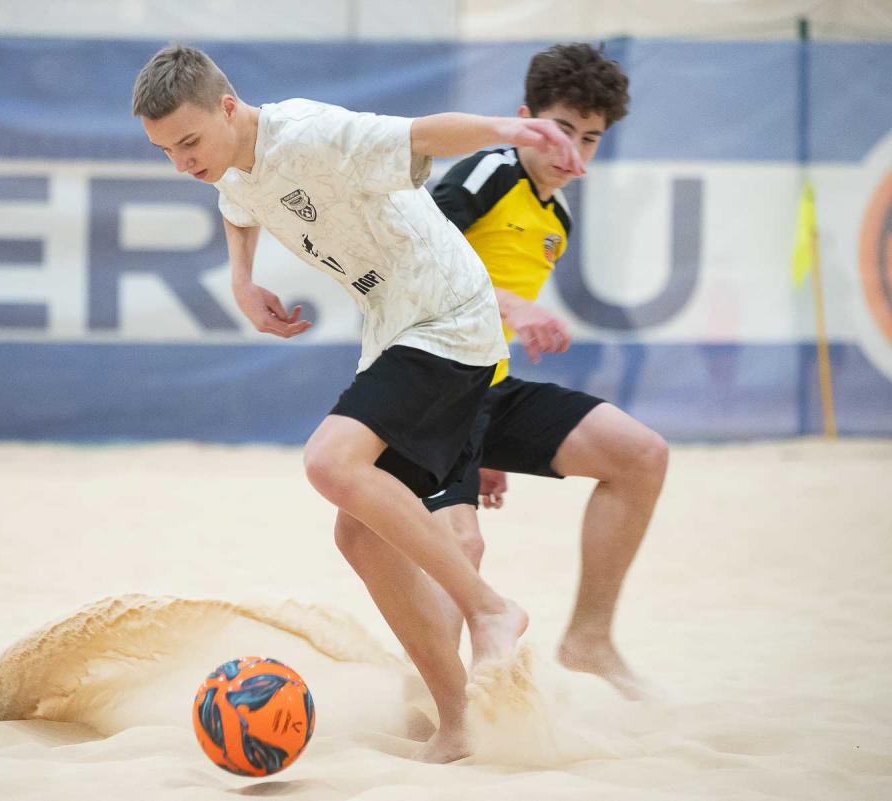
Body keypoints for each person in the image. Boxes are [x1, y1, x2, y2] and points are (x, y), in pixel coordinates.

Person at [132, 44, 585, 762]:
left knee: (330, 462)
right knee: (360, 536)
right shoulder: (229, 163)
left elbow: (422, 134)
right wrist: (242, 279)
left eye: (188, 142)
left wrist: (509, 129)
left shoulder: (310, 134)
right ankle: (459, 720)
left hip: (447, 316)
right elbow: (238, 204)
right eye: (165, 152)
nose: (181, 163)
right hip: (392, 328)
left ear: (228, 107)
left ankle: (489, 609)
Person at [425, 43, 669, 700]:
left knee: (641, 456)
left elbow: (487, 333)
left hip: (485, 387)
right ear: (524, 118)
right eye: (561, 130)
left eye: (590, 139)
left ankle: (588, 640)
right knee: (461, 544)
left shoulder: (555, 216)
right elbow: (416, 256)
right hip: (427, 386)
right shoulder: (491, 170)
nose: (573, 153)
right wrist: (511, 304)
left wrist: (486, 446)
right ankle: (435, 698)